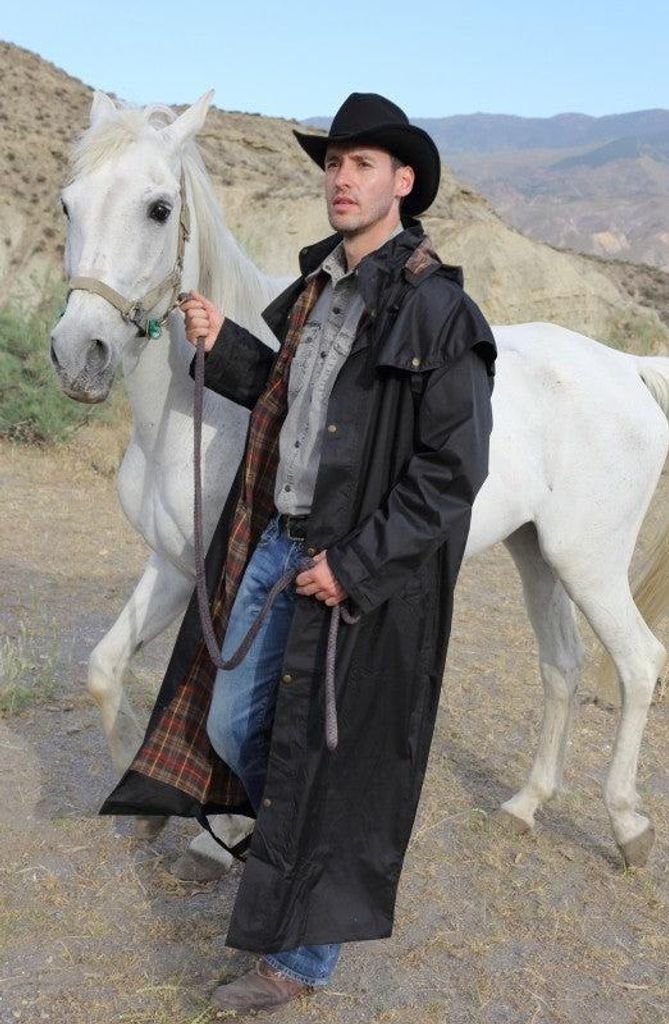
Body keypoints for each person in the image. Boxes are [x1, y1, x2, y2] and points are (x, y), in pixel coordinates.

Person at [100, 92, 497, 1015]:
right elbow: (287, 403)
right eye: (333, 163)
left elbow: (451, 473)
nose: (341, 179)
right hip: (277, 545)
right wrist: (225, 345)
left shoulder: (440, 312)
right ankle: (279, 848)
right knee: (233, 723)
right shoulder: (318, 289)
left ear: (403, 182)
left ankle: (301, 962)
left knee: (332, 767)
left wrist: (353, 566)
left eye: (362, 165)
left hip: (350, 576)